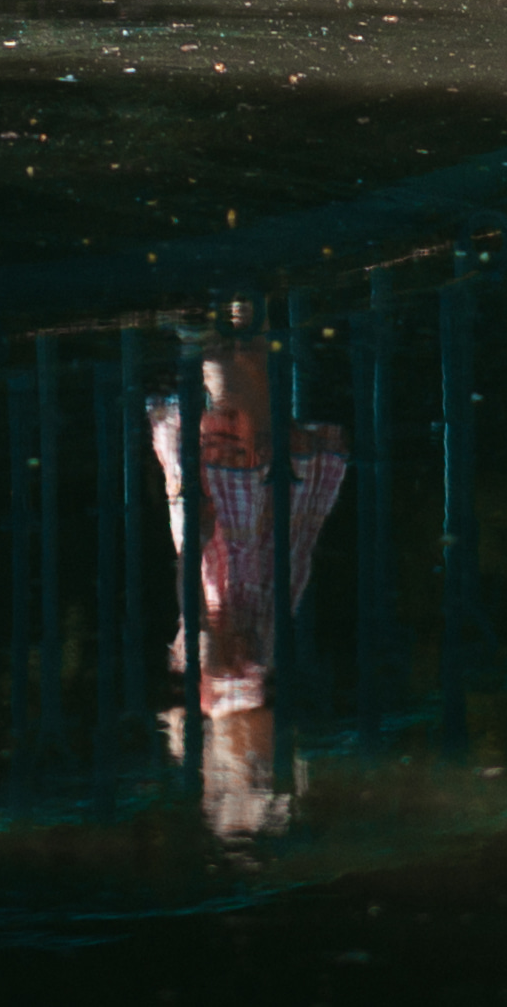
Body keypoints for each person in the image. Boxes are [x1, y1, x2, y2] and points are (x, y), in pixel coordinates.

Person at [146, 330, 352, 847]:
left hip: (228, 541)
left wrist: (205, 631)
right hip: (257, 543)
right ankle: (237, 319)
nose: (263, 763)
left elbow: (194, 593)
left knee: (237, 426)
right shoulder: (237, 697)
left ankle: (215, 328)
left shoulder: (216, 693)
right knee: (250, 419)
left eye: (253, 772)